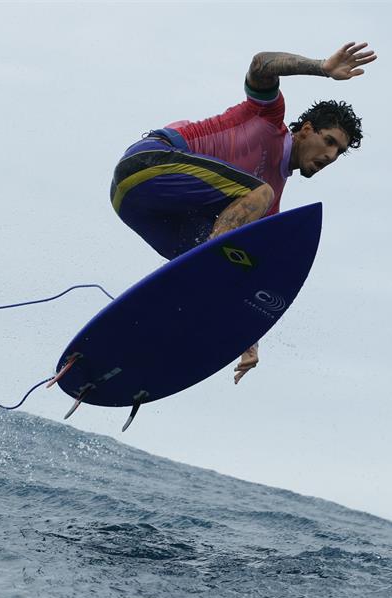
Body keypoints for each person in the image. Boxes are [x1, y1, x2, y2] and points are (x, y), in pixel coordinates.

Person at [111, 42, 376, 384]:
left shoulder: (264, 207)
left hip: (135, 208)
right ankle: (204, 268)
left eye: (339, 151)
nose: (331, 155)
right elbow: (261, 63)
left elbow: (246, 275)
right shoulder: (266, 118)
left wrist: (246, 339)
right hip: (146, 166)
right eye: (329, 141)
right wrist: (322, 67)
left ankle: (143, 340)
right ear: (306, 129)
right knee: (250, 206)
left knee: (235, 262)